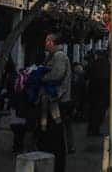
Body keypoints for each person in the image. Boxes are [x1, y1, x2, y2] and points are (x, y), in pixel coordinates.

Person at [37, 33, 71, 172]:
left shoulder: (59, 56)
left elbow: (57, 75)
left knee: (55, 137)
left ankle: (57, 166)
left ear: (51, 42)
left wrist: (41, 76)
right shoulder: (51, 56)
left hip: (57, 102)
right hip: (50, 101)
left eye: (46, 41)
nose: (45, 43)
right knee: (49, 136)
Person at [87, 52, 110, 136]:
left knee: (92, 111)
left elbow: (87, 75)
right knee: (100, 112)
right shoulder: (107, 65)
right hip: (103, 92)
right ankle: (95, 129)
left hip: (93, 91)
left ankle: (90, 129)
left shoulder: (93, 64)